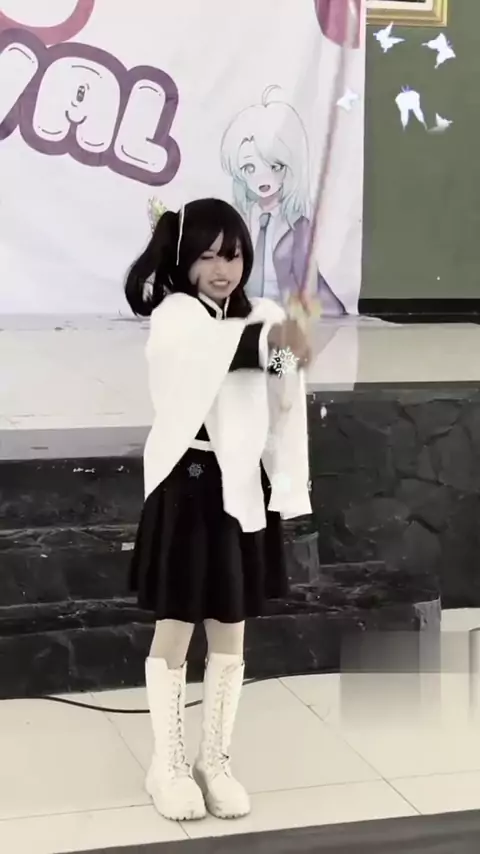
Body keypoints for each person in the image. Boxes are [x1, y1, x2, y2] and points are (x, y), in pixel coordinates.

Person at [124, 197, 312, 823]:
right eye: (206, 256)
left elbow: (281, 389)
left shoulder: (262, 315)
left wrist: (291, 350)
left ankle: (214, 760)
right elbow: (213, 354)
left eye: (231, 256)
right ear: (184, 260)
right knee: (177, 621)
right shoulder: (175, 316)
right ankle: (168, 764)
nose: (221, 269)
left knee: (231, 623)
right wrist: (270, 341)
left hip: (240, 487)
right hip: (185, 483)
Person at [220, 86, 346, 315]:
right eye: (249, 168)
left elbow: (312, 289)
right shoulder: (239, 221)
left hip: (284, 318)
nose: (262, 178)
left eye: (274, 166)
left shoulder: (298, 227)